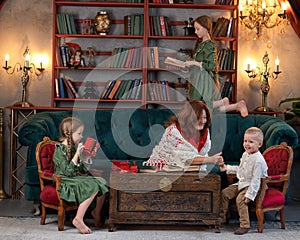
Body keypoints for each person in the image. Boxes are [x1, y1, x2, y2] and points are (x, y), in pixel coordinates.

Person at [184, 15, 248, 117]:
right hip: (198, 78)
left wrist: (193, 63)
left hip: (203, 79)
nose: (195, 32)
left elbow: (211, 65)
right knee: (201, 108)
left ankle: (232, 104)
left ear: (206, 29)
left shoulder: (209, 44)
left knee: (201, 107)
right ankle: (230, 103)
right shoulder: (202, 44)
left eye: (198, 29)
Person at [53, 117, 108, 234]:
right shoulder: (59, 150)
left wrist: (86, 158)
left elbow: (81, 170)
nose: (81, 136)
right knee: (93, 185)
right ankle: (78, 218)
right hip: (65, 180)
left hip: (75, 178)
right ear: (70, 133)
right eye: (79, 133)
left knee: (101, 181)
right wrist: (77, 154)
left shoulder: (73, 148)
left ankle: (96, 213)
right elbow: (67, 172)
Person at [143, 100, 224, 170]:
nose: (203, 121)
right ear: (189, 117)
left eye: (205, 117)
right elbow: (184, 158)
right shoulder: (174, 132)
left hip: (191, 169)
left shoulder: (204, 131)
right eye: (199, 118)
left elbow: (201, 154)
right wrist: (211, 160)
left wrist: (211, 159)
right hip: (166, 168)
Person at [219, 127, 268, 235]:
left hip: (253, 186)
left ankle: (245, 225)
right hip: (243, 183)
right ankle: (221, 218)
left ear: (259, 144)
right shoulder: (245, 154)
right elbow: (240, 169)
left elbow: (256, 180)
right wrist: (226, 168)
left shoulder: (258, 160)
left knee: (240, 200)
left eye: (251, 142)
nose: (247, 144)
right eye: (245, 141)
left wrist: (250, 195)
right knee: (224, 193)